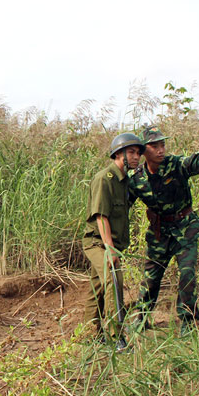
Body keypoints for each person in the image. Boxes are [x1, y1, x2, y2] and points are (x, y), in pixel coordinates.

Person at [128, 125, 199, 336]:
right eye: (155, 146)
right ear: (144, 150)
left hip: (185, 228)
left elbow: (191, 164)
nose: (161, 150)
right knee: (151, 277)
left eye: (162, 144)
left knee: (187, 273)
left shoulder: (174, 164)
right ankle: (142, 318)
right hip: (159, 233)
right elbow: (122, 203)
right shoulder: (137, 178)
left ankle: (188, 320)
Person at [82, 133, 144, 350]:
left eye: (138, 153)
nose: (136, 157)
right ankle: (117, 336)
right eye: (132, 152)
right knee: (113, 280)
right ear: (119, 153)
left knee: (97, 289)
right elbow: (101, 216)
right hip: (97, 242)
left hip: (111, 242)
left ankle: (92, 334)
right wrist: (109, 248)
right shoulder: (104, 179)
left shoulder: (125, 181)